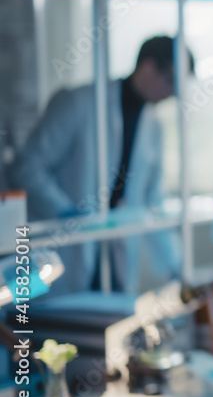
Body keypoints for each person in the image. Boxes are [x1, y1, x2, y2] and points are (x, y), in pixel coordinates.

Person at [11, 36, 188, 296]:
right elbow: (27, 167)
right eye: (171, 81)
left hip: (116, 254)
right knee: (61, 328)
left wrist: (176, 268)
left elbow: (153, 201)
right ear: (148, 67)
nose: (173, 93)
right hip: (66, 248)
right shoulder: (78, 102)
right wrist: (64, 211)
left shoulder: (154, 126)